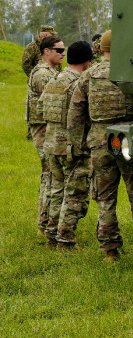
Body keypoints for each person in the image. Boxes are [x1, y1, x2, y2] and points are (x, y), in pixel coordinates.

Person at [68, 30, 133, 262]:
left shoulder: (89, 75)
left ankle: (110, 251)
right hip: (131, 139)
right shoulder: (132, 73)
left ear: (102, 49)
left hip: (100, 139)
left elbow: (75, 112)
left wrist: (79, 144)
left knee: (105, 198)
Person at [39, 40, 93, 249]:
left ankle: (51, 236)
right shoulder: (79, 84)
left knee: (56, 190)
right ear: (87, 60)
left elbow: (42, 108)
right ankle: (66, 239)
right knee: (75, 193)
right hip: (72, 147)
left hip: (51, 145)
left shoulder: (55, 80)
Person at [26, 35, 63, 237]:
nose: (63, 53)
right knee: (50, 176)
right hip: (44, 131)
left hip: (47, 129)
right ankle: (45, 224)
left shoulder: (51, 72)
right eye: (59, 50)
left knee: (50, 176)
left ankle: (47, 222)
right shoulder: (43, 74)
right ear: (46, 51)